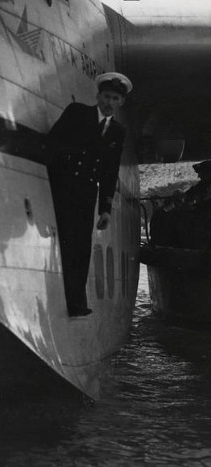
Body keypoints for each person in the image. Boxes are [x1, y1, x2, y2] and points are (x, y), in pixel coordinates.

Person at [46, 72, 132, 317]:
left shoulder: (117, 131)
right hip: (64, 187)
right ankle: (68, 298)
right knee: (66, 241)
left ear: (120, 102)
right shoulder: (77, 113)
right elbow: (52, 144)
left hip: (86, 194)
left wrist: (105, 207)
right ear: (98, 96)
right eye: (106, 96)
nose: (109, 102)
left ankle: (76, 302)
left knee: (82, 246)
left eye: (115, 98)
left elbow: (109, 170)